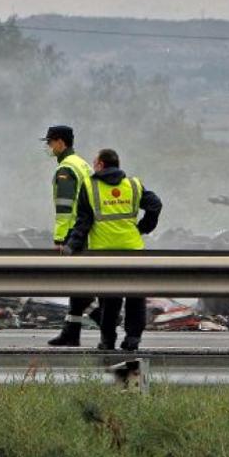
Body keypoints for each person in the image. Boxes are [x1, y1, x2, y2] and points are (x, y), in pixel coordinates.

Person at [63, 148, 162, 351]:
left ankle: (108, 340)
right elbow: (155, 205)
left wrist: (72, 245)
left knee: (109, 299)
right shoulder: (133, 184)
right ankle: (133, 338)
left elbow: (83, 222)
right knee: (136, 297)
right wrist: (143, 228)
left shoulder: (90, 186)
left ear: (100, 165)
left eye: (94, 162)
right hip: (133, 248)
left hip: (104, 251)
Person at [42, 125, 95, 347]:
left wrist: (61, 239)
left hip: (74, 232)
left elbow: (64, 207)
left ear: (60, 142)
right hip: (87, 230)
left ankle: (97, 315)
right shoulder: (82, 164)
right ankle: (71, 332)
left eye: (50, 142)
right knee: (77, 283)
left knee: (75, 282)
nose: (48, 147)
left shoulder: (66, 169)